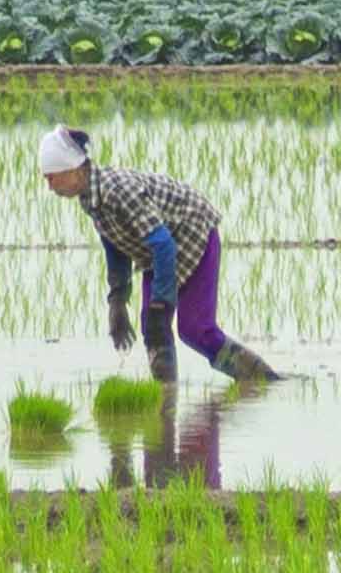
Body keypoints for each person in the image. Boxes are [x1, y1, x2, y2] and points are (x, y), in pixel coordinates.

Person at [38, 127, 282, 384]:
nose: (50, 185)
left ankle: (263, 381)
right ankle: (166, 402)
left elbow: (164, 243)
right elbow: (115, 246)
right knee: (153, 329)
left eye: (52, 177)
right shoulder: (90, 198)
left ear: (73, 169)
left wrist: (161, 303)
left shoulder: (117, 190)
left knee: (195, 329)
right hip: (158, 251)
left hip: (192, 234)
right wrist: (117, 301)